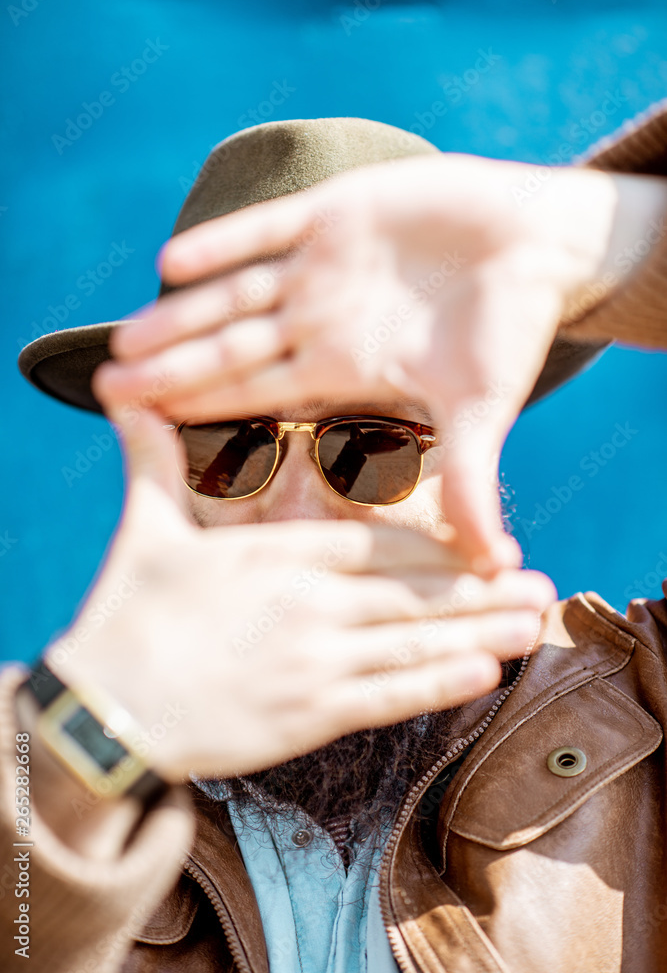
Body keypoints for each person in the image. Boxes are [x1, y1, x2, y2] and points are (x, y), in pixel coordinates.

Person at [2, 108, 667, 972]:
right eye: (229, 444)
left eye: (370, 444)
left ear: (480, 436)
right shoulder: (35, 757)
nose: (293, 511)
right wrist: (82, 748)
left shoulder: (647, 699)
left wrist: (614, 240)